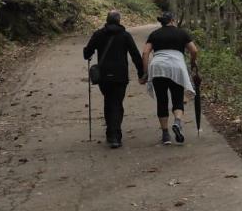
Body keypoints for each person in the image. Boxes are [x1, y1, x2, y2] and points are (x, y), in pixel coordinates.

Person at [83, 10, 143, 149]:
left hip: (103, 76)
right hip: (120, 75)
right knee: (117, 103)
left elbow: (87, 53)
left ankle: (111, 133)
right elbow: (135, 55)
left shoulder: (98, 34)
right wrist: (141, 72)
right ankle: (115, 135)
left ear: (107, 20)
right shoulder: (125, 35)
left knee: (109, 101)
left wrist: (88, 52)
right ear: (119, 20)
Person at [141, 10, 198, 145]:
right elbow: (194, 50)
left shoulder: (154, 34)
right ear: (173, 20)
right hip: (176, 68)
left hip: (158, 68)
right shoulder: (181, 33)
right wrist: (192, 63)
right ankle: (177, 122)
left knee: (162, 100)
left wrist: (146, 72)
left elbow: (145, 53)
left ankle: (166, 135)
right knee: (177, 98)